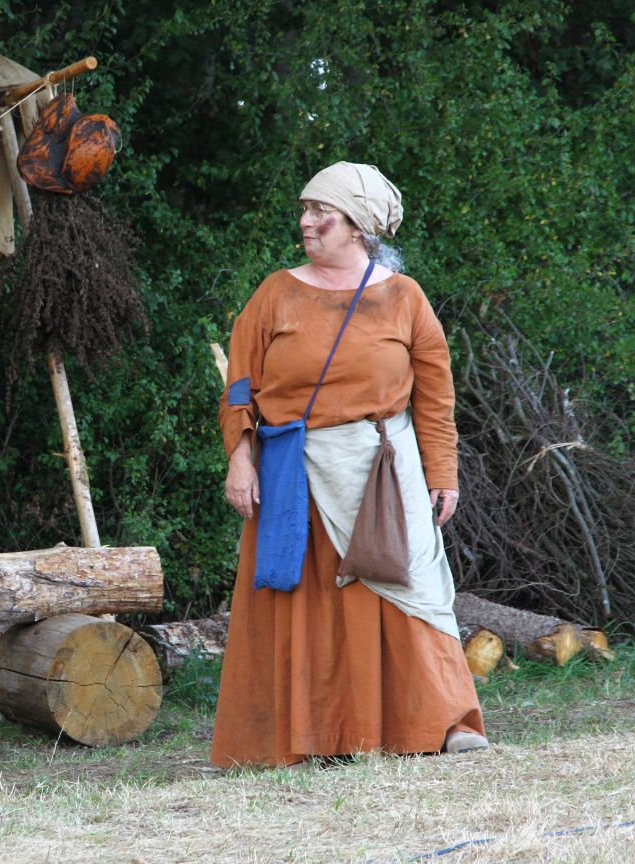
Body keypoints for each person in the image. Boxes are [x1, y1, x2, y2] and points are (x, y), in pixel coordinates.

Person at [211, 161, 487, 768]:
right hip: (296, 473)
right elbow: (240, 388)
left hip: (385, 470)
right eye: (305, 210)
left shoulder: (404, 299)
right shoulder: (275, 294)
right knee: (308, 603)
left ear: (358, 226)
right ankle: (318, 736)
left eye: (322, 213)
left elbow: (435, 400)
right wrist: (241, 458)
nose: (306, 222)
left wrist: (442, 473)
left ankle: (442, 722)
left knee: (410, 592)